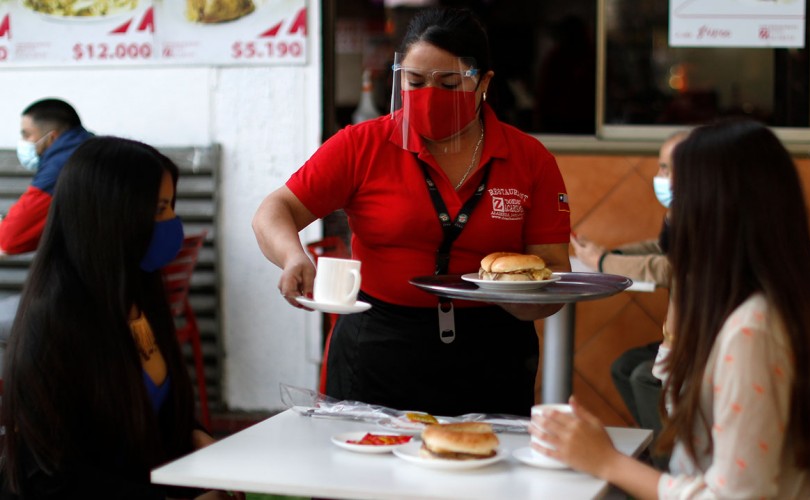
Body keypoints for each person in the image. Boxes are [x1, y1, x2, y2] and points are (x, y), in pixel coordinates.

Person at [252, 7, 571, 417]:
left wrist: (521, 297)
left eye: (449, 83)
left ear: (484, 83)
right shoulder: (363, 145)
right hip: (379, 345)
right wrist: (292, 256)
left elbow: (553, 270)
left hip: (491, 348)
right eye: (415, 81)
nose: (428, 96)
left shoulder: (530, 160)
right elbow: (274, 210)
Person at [532, 119, 810, 498]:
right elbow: (676, 395)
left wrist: (607, 461)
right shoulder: (769, 298)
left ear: (716, 212)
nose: (671, 214)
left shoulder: (752, 330)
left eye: (681, 195)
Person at [0, 137, 232, 499]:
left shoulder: (139, 296)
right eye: (158, 209)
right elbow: (51, 475)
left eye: (171, 206)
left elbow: (153, 410)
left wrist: (195, 435)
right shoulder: (54, 324)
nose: (173, 222)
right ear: (109, 216)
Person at [570, 131, 686, 438]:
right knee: (623, 367)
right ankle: (658, 449)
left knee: (644, 377)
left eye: (668, 168)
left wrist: (604, 263)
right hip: (683, 337)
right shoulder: (678, 214)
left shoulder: (711, 217)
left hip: (701, 341)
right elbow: (662, 248)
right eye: (661, 167)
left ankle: (669, 465)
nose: (659, 176)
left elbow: (669, 267)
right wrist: (609, 254)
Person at [0, 99, 93, 355]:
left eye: (27, 135)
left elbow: (9, 240)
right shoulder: (90, 150)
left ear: (51, 137)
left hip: (81, 303)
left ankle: (17, 393)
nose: (23, 143)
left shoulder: (63, 167)